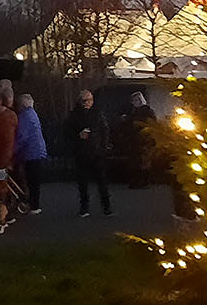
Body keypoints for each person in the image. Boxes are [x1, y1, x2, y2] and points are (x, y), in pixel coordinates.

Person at [67, 89, 114, 217]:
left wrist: (103, 145)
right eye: (85, 100)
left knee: (102, 180)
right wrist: (78, 136)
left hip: (96, 151)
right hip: (81, 151)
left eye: (90, 100)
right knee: (82, 182)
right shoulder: (74, 115)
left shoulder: (97, 113)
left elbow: (104, 129)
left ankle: (106, 207)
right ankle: (84, 207)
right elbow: (67, 132)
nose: (87, 103)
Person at [14, 93, 48, 215]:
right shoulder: (33, 114)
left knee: (32, 180)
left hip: (31, 152)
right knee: (34, 180)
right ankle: (34, 204)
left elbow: (22, 136)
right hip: (37, 150)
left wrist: (13, 150)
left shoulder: (24, 116)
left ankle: (34, 205)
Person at [120, 91, 159, 189]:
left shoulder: (146, 111)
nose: (134, 102)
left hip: (144, 140)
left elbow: (148, 123)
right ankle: (138, 181)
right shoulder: (135, 111)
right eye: (133, 100)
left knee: (143, 161)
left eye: (136, 100)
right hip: (135, 140)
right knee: (136, 161)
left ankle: (144, 181)